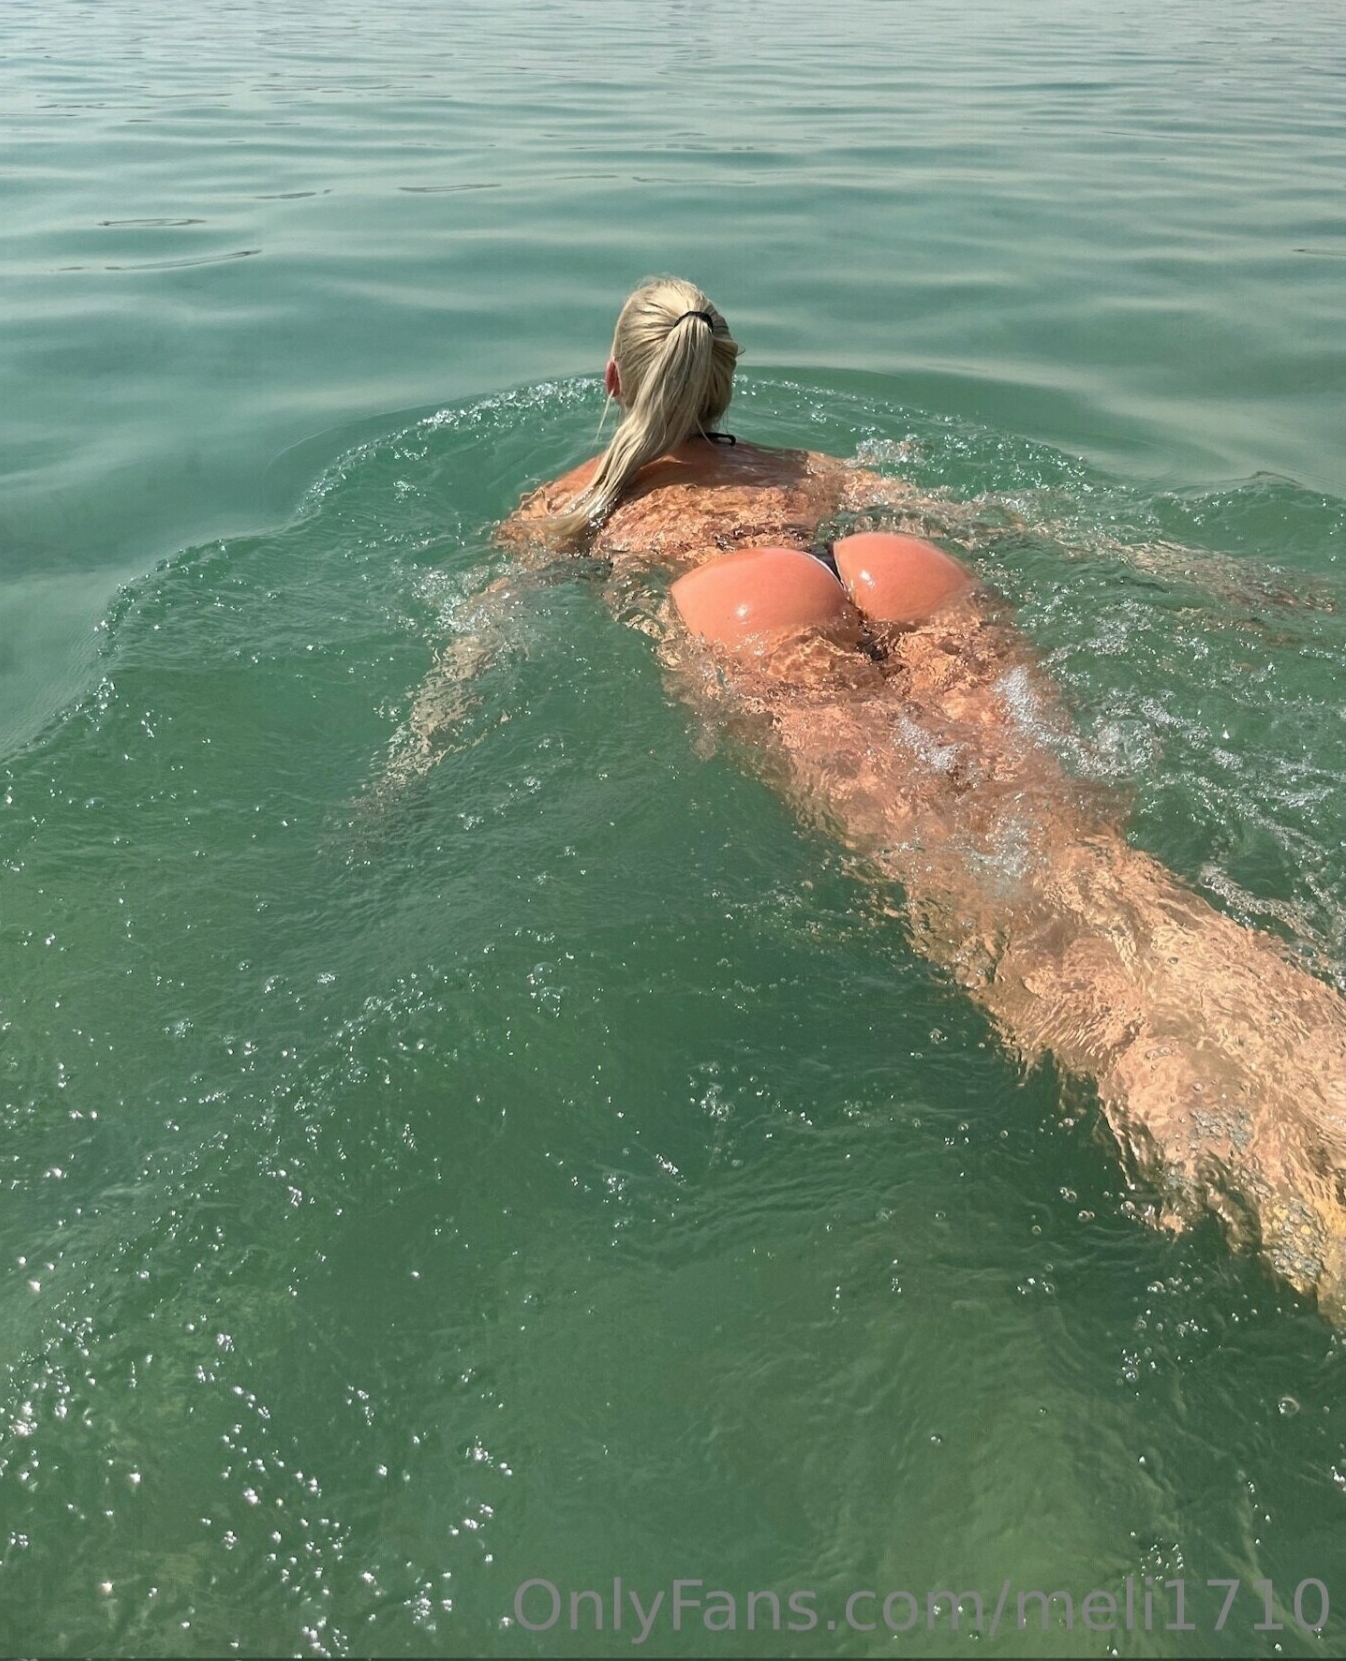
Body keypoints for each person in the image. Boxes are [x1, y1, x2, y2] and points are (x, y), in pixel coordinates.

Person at [429, 276, 1346, 1322]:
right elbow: (1011, 522)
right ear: (726, 380)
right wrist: (1201, 576)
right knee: (1096, 864)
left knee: (1017, 927)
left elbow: (480, 642)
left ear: (614, 379)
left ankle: (1311, 1221)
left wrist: (416, 760)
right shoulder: (809, 471)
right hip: (895, 565)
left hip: (747, 609)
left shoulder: (572, 504)